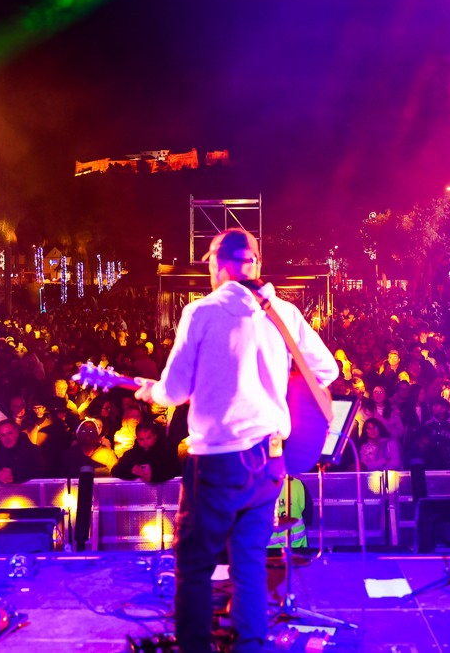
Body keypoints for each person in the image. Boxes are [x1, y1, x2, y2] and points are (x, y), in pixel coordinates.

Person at [134, 228, 338, 653]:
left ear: (218, 263)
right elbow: (327, 370)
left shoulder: (202, 313)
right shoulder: (283, 312)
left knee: (194, 566)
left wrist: (149, 391)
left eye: (210, 262)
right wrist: (274, 381)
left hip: (217, 462)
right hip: (269, 460)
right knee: (248, 562)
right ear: (256, 264)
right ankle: (251, 645)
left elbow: (173, 392)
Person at [110, 423, 180, 483]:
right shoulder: (131, 455)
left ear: (155, 437)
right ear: (137, 439)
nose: (145, 442)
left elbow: (177, 469)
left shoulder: (166, 453)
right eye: (141, 439)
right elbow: (115, 471)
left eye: (148, 438)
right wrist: (132, 470)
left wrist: (154, 475)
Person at [0, 419, 44, 483]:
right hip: (3, 492)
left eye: (10, 433)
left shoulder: (33, 451)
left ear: (16, 433)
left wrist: (14, 476)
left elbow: (40, 474)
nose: (7, 438)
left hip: (27, 491)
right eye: (3, 435)